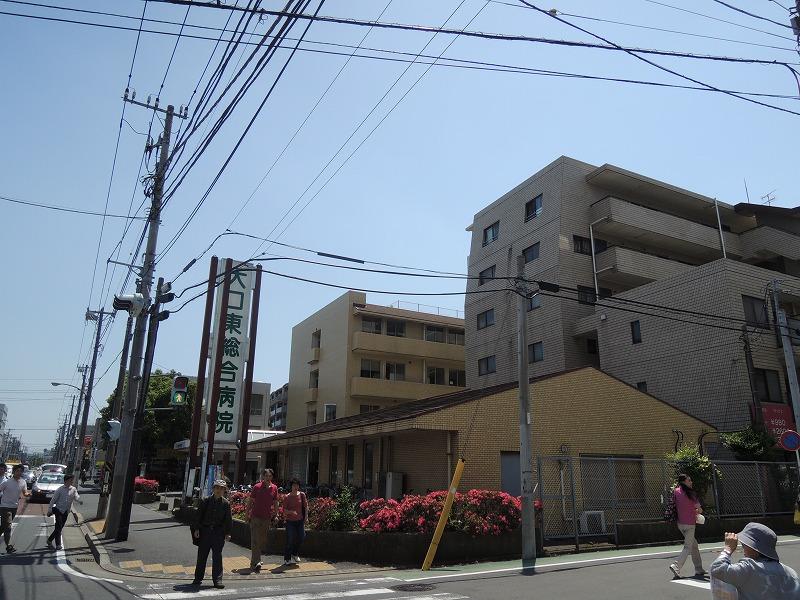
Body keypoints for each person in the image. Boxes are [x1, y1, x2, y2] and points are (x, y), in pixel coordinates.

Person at [710, 523, 800, 599]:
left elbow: (717, 568)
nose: (743, 549)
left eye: (744, 545)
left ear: (754, 548)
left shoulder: (749, 567)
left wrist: (728, 549)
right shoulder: (792, 574)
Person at [192, 480, 232, 589]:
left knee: (217, 557)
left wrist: (228, 533)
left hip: (218, 533)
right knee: (202, 556)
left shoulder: (226, 503)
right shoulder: (205, 500)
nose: (219, 490)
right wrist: (196, 529)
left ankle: (217, 580)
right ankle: (198, 578)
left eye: (222, 488)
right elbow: (198, 516)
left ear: (224, 491)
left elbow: (228, 520)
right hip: (205, 531)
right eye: (217, 488)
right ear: (213, 489)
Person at [668, 473, 705, 578]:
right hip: (690, 524)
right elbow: (700, 510)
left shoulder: (676, 491)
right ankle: (676, 566)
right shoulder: (691, 493)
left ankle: (699, 569)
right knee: (688, 547)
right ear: (684, 481)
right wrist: (696, 511)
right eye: (689, 480)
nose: (691, 482)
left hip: (680, 524)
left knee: (694, 545)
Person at [247, 468, 278, 572]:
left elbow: (275, 502)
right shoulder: (257, 487)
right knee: (255, 539)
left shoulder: (274, 488)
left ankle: (256, 559)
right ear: (263, 476)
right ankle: (256, 562)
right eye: (266, 476)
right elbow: (250, 501)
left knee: (262, 539)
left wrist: (276, 514)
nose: (268, 478)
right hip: (255, 517)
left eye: (270, 476)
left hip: (266, 518)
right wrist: (247, 514)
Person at [0, 465, 30, 554]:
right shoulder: (7, 482)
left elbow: (25, 493)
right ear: (13, 472)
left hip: (14, 507)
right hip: (5, 506)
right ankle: (8, 546)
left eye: (21, 471)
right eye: (17, 471)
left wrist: (28, 494)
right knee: (8, 527)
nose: (19, 473)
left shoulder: (23, 482)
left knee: (4, 526)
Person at [47, 473, 82, 550]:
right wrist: (49, 509)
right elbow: (53, 500)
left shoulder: (73, 489)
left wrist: (79, 500)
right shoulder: (60, 489)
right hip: (58, 510)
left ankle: (49, 540)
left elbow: (76, 496)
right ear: (66, 481)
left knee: (60, 527)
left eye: (72, 480)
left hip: (66, 511)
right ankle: (58, 544)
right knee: (59, 526)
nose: (72, 481)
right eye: (71, 480)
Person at [282, 478, 308, 566]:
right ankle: (287, 558)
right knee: (290, 540)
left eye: (297, 485)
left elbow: (305, 507)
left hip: (300, 520)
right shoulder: (287, 497)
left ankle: (295, 553)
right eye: (294, 485)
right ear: (291, 486)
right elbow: (284, 510)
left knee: (302, 536)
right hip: (290, 522)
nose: (296, 487)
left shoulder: (302, 495)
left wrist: (306, 517)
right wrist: (291, 512)